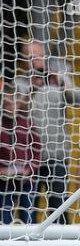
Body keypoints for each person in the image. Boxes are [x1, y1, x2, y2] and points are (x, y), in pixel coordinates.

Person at [23, 41, 80, 224]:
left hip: (57, 153)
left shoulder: (58, 78)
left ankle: (62, 239)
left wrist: (61, 83)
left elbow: (78, 100)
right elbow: (12, 111)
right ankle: (27, 243)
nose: (35, 61)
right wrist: (31, 90)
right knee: (29, 203)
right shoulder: (20, 82)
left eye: (38, 56)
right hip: (29, 154)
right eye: (30, 57)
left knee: (58, 201)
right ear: (23, 60)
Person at [0, 81, 41, 224]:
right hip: (4, 181)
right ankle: (5, 245)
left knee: (27, 216)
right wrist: (2, 171)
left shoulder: (27, 123)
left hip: (26, 180)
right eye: (8, 99)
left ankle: (29, 243)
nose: (11, 103)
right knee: (4, 216)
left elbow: (37, 151)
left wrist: (28, 169)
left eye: (14, 99)